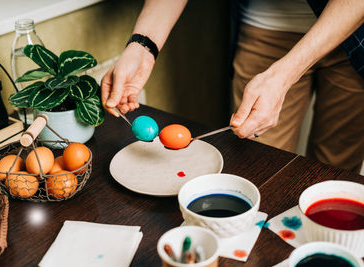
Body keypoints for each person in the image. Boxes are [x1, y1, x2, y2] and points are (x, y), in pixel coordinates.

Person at [101, 0, 364, 173]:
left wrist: (284, 75)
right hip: (266, 26)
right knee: (259, 166)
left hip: (353, 35)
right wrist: (143, 45)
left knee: (336, 169)